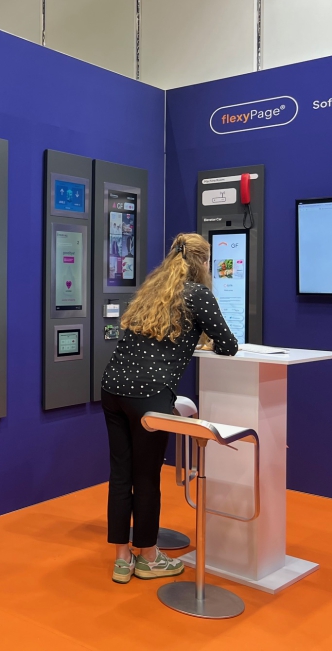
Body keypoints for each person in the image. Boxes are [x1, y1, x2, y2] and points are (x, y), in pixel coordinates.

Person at [101, 233, 238, 584]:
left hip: (113, 389)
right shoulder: (198, 294)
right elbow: (228, 345)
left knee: (121, 474)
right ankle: (148, 557)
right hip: (149, 395)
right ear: (202, 262)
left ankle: (122, 559)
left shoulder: (152, 291)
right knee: (146, 477)